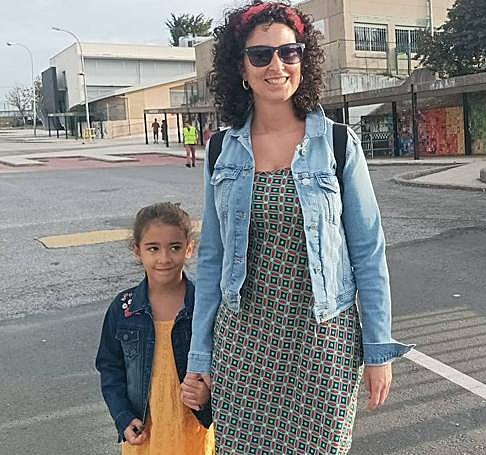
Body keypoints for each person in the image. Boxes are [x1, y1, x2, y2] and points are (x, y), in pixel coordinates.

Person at [183, 2, 413, 453]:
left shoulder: (338, 143)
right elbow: (211, 260)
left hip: (323, 342)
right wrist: (200, 356)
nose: (277, 66)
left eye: (289, 52)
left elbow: (368, 252)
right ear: (241, 68)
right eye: (260, 55)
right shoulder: (221, 151)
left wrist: (377, 349)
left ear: (303, 61)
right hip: (243, 343)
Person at [96, 202, 214, 455]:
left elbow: (227, 364)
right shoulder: (123, 309)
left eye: (175, 247)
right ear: (137, 251)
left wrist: (207, 395)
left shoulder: (204, 307)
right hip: (145, 437)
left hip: (193, 434)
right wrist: (123, 417)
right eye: (153, 248)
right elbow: (110, 368)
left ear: (189, 248)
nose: (164, 258)